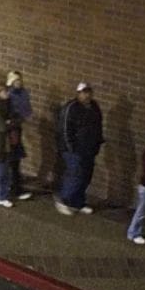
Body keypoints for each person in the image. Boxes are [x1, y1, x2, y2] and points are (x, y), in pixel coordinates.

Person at [54, 83, 104, 216]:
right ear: (78, 93)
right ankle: (64, 199)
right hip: (74, 150)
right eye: (83, 92)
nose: (86, 95)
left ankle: (77, 202)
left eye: (88, 92)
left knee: (86, 176)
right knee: (75, 174)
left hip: (89, 149)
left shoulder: (94, 107)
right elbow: (65, 129)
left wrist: (97, 143)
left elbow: (98, 126)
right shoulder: (71, 108)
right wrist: (70, 147)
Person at [5, 71, 34, 200]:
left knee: (14, 157)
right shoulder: (8, 95)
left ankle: (13, 184)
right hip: (11, 128)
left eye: (20, 80)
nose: (19, 82)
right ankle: (14, 187)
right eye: (16, 80)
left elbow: (28, 110)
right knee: (13, 157)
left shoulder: (24, 93)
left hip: (17, 126)